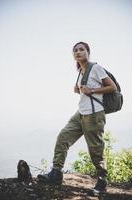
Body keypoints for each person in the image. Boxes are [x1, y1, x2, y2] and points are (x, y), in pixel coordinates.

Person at [37, 42, 117, 194]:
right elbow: (84, 91)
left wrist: (91, 90)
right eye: (75, 50)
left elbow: (112, 87)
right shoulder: (81, 70)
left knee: (95, 149)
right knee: (63, 138)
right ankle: (56, 173)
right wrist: (79, 90)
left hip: (94, 115)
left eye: (82, 49)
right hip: (81, 113)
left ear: (88, 52)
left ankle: (102, 181)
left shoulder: (96, 68)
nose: (78, 52)